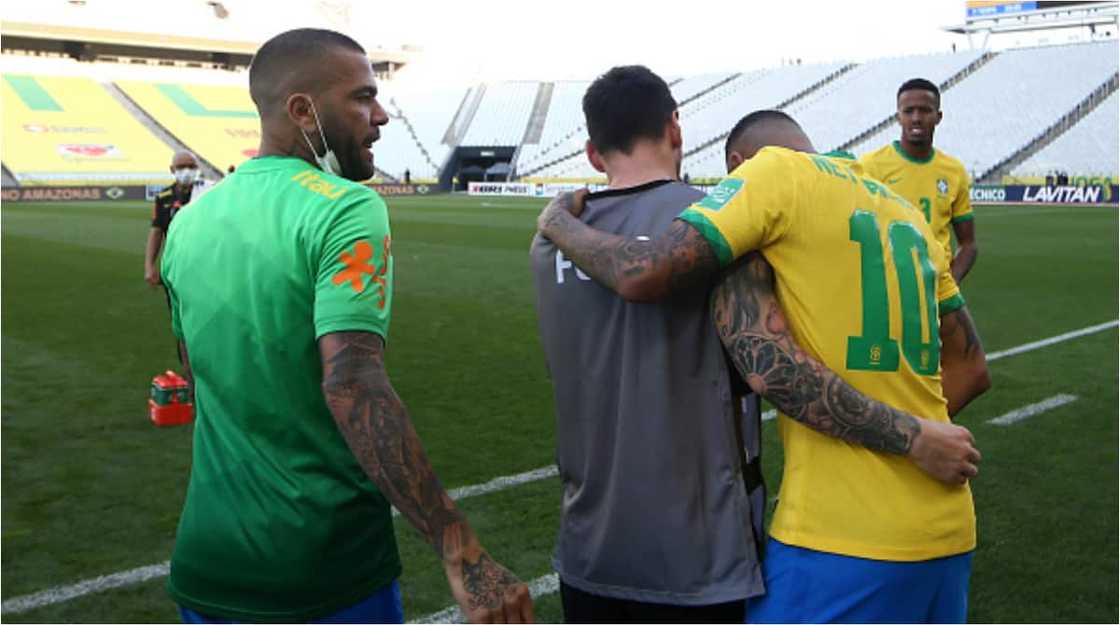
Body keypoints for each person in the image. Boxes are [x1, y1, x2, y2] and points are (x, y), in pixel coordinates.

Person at [533, 69, 986, 623]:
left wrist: (556, 222)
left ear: (738, 168)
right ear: (674, 128)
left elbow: (659, 284)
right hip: (946, 524)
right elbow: (971, 367)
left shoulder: (770, 177)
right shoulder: (905, 212)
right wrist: (916, 429)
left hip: (839, 534)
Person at [160, 28, 532, 624]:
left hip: (208, 564)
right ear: (302, 110)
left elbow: (198, 375)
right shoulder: (345, 206)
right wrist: (461, 550)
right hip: (321, 568)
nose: (380, 115)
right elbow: (352, 382)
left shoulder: (188, 223)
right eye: (362, 97)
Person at [860, 78, 978, 283]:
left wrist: (950, 283)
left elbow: (968, 244)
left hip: (937, 287)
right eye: (908, 111)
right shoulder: (870, 166)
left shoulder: (954, 171)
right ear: (898, 117)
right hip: (889, 285)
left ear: (938, 117)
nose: (916, 118)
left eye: (925, 110)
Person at [144, 150, 205, 288]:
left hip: (204, 261)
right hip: (175, 262)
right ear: (172, 169)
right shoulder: (163, 197)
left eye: (191, 167)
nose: (187, 171)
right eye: (181, 167)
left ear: (197, 168)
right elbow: (156, 231)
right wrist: (149, 266)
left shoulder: (208, 192)